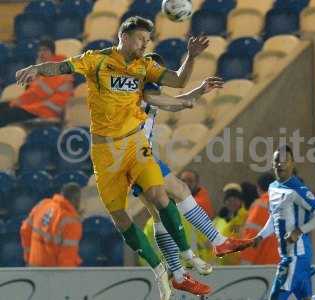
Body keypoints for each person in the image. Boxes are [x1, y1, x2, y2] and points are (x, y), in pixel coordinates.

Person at [16, 16, 212, 300]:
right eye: (141, 39)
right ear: (124, 35)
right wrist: (36, 68)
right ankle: (161, 271)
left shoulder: (145, 66)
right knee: (120, 218)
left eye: (148, 41)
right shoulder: (96, 60)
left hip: (134, 144)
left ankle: (187, 256)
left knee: (160, 194)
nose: (145, 45)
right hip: (104, 152)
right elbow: (60, 67)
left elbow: (179, 80)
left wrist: (191, 57)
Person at [132, 52, 252, 289]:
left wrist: (198, 91)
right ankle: (218, 241)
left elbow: (171, 99)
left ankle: (177, 275)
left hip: (128, 157)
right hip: (135, 155)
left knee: (158, 216)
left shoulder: (143, 89)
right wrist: (189, 98)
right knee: (181, 189)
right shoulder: (145, 87)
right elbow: (173, 103)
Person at [244, 145, 315, 300]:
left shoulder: (298, 189)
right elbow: (274, 217)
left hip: (296, 256)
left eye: (285, 161)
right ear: (272, 163)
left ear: (292, 163)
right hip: (290, 255)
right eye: (277, 160)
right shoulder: (273, 187)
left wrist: (299, 231)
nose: (280, 164)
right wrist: (260, 236)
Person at [0, 38, 73, 127]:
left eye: (45, 50)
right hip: (38, 107)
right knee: (3, 106)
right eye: (39, 50)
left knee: (7, 114)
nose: (41, 53)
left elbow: (38, 93)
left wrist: (16, 102)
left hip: (47, 111)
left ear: (52, 52)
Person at [20, 183, 82, 267]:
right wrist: (67, 278)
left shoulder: (43, 205)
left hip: (34, 267)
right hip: (53, 272)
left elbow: (25, 230)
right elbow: (67, 258)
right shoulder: (71, 221)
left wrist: (28, 257)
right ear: (76, 200)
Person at [240, 172, 280, 265]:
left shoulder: (260, 206)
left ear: (258, 188)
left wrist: (244, 267)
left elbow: (252, 239)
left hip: (264, 269)